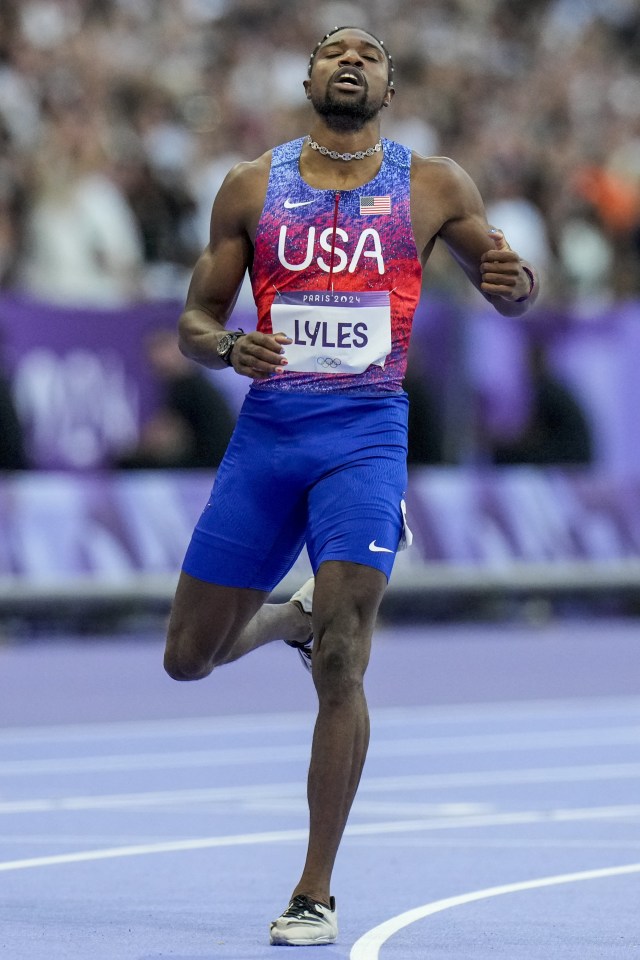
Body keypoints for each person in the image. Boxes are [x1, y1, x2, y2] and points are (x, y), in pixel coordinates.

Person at [163, 25, 539, 946]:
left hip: (365, 439)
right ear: (306, 77)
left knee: (345, 656)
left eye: (368, 52)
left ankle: (314, 890)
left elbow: (510, 291)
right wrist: (224, 347)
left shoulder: (435, 183)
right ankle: (287, 617)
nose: (349, 58)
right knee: (187, 658)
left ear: (390, 84)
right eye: (334, 48)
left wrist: (517, 285)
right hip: (269, 437)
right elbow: (194, 322)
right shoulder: (251, 184)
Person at [115, 328, 235, 469]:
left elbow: (167, 438)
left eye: (161, 350)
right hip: (217, 460)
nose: (156, 359)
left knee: (129, 464)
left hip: (209, 463)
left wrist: (137, 448)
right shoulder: (190, 383)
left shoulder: (187, 387)